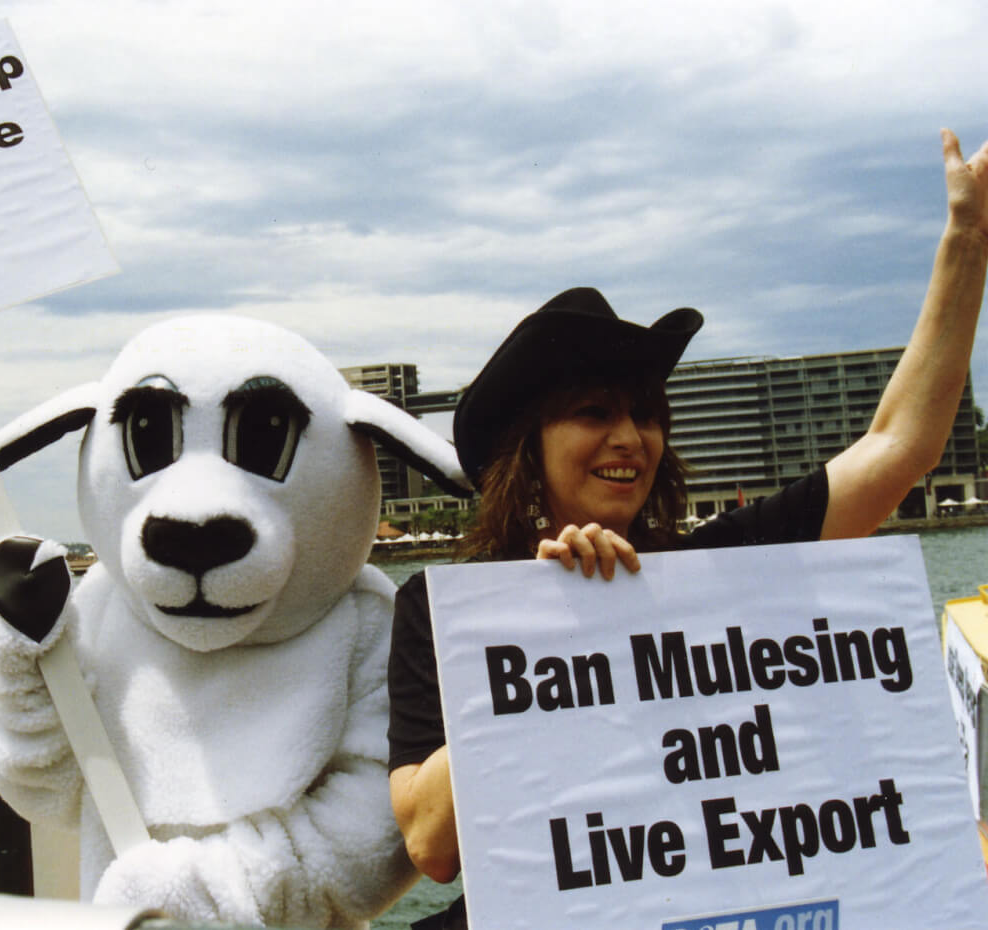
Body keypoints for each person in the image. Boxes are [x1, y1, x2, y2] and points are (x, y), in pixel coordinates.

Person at [387, 129, 988, 930]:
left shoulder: (724, 570)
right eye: (595, 414)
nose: (631, 438)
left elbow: (898, 447)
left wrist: (967, 243)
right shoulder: (438, 608)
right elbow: (431, 842)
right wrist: (554, 639)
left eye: (646, 415)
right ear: (526, 449)